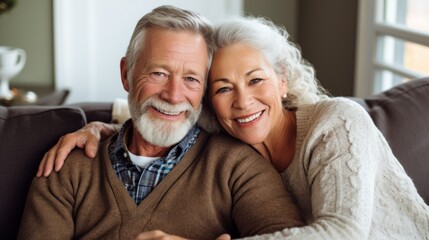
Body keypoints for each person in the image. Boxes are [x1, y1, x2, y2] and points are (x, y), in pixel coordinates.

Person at [38, 15, 429, 240]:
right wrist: (98, 126)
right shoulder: (221, 122)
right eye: (223, 87)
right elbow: (163, 106)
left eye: (256, 80)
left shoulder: (337, 122)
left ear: (282, 79)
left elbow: (344, 235)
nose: (242, 101)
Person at [18, 6, 305, 240]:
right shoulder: (67, 166)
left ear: (204, 89)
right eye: (158, 73)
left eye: (191, 79)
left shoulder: (238, 167)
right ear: (126, 74)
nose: (173, 95)